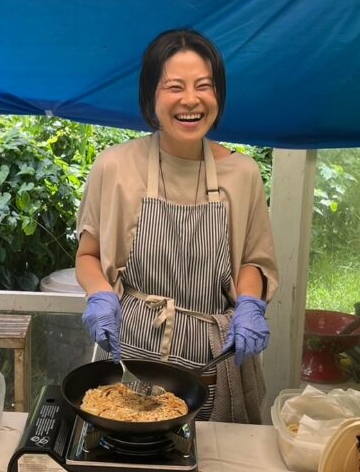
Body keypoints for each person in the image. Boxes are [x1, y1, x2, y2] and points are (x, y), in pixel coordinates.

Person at [75, 28, 278, 423]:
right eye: (174, 87)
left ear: (217, 95)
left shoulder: (242, 173)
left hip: (213, 370)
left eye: (204, 86)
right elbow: (88, 255)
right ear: (151, 96)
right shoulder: (114, 167)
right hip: (127, 366)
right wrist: (100, 297)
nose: (190, 100)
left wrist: (250, 305)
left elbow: (253, 261)